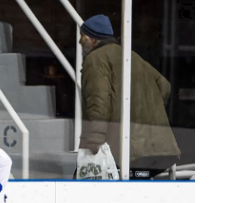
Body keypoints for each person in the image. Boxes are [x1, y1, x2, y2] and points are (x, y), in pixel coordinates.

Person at [78, 14, 181, 179]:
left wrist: (93, 146)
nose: (79, 43)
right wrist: (145, 111)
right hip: (160, 150)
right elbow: (164, 86)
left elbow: (98, 104)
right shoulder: (131, 56)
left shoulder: (96, 59)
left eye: (83, 38)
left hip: (129, 153)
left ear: (94, 40)